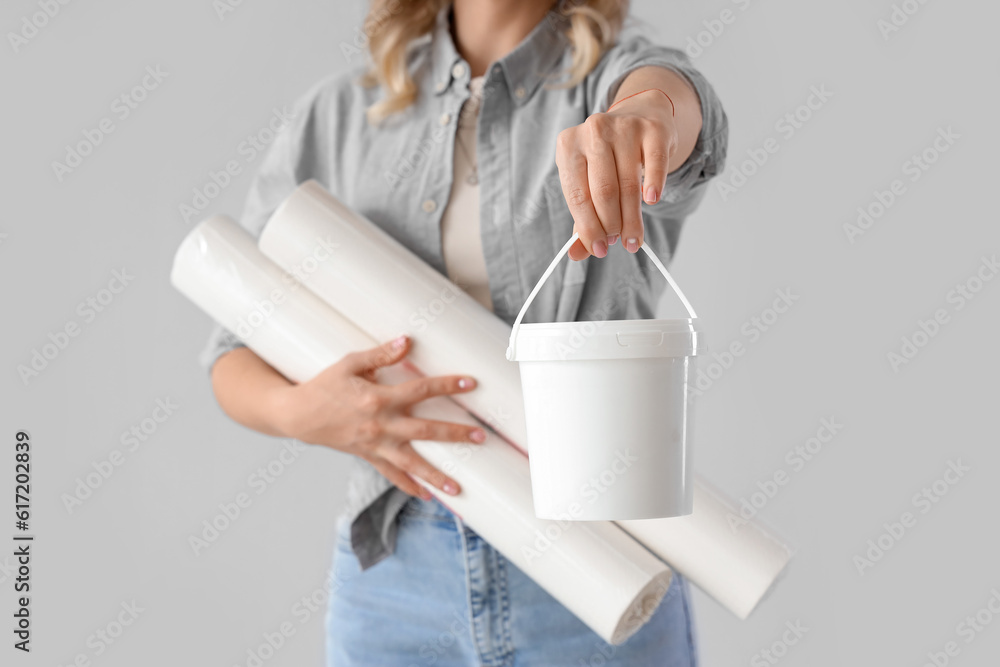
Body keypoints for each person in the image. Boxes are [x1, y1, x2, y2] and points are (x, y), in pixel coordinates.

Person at [200, 0, 728, 664]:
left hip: (600, 567)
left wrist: (639, 120)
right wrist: (308, 412)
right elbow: (234, 350)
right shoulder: (340, 116)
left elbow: (675, 109)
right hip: (397, 575)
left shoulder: (612, 84)